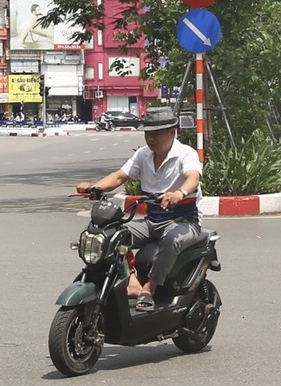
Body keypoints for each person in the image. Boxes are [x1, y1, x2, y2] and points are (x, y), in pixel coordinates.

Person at [75, 106, 203, 312]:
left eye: (156, 133)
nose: (151, 138)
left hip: (183, 222)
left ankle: (149, 288)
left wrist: (179, 193)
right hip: (152, 221)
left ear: (172, 132)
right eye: (147, 133)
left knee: (171, 240)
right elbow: (119, 177)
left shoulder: (185, 154)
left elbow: (193, 178)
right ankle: (132, 281)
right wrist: (94, 187)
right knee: (113, 234)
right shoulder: (143, 155)